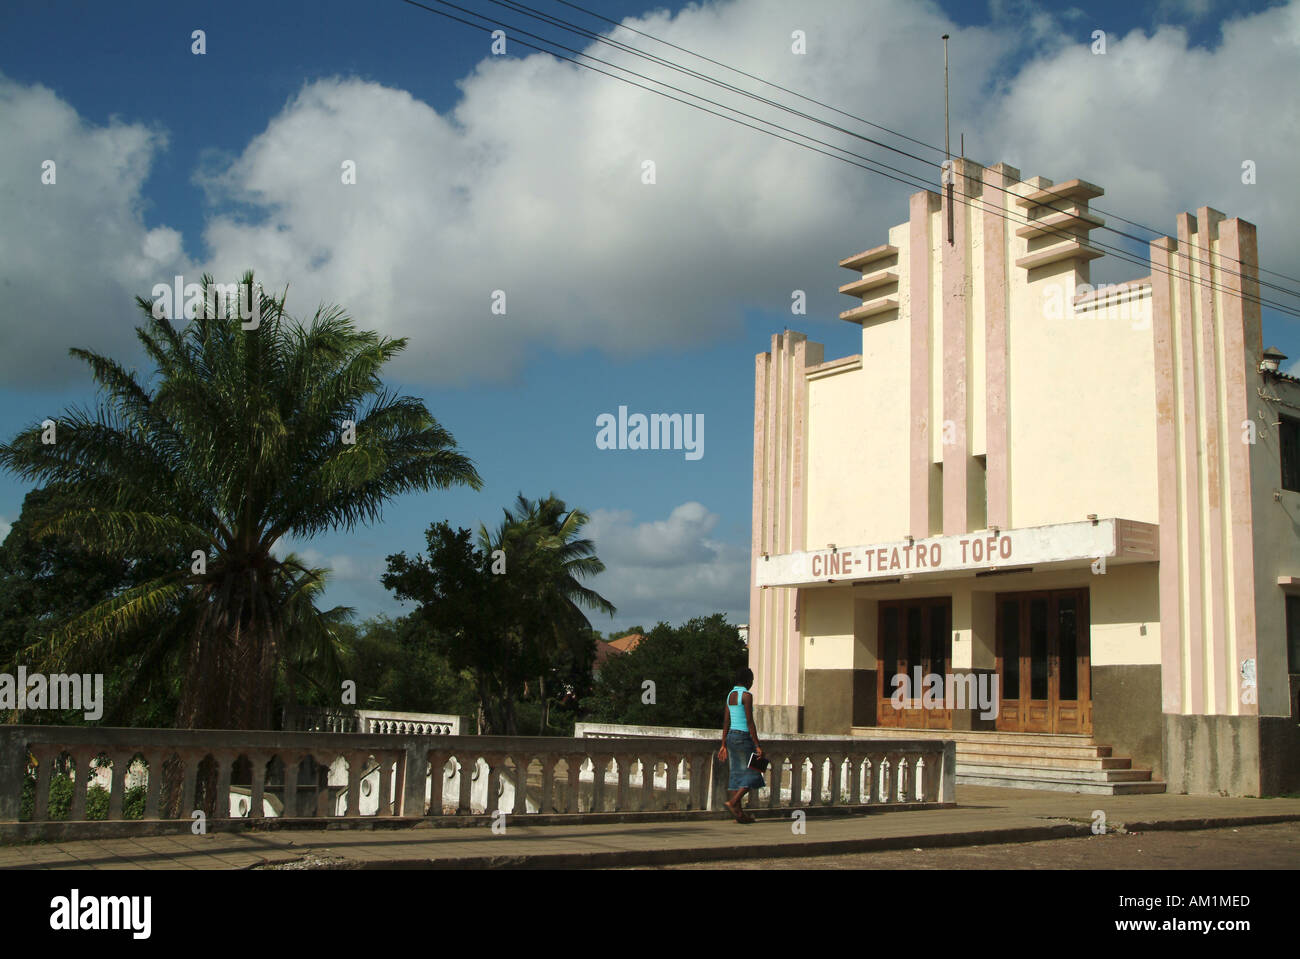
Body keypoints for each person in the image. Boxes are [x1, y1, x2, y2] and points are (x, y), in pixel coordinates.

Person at [717, 666, 764, 823]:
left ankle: (739, 815)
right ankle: (733, 802)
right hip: (744, 737)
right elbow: (750, 721)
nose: (752, 683)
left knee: (736, 774)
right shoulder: (746, 696)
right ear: (747, 680)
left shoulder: (730, 695)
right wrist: (757, 745)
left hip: (731, 737)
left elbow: (726, 720)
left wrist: (723, 743)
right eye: (751, 680)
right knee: (755, 772)